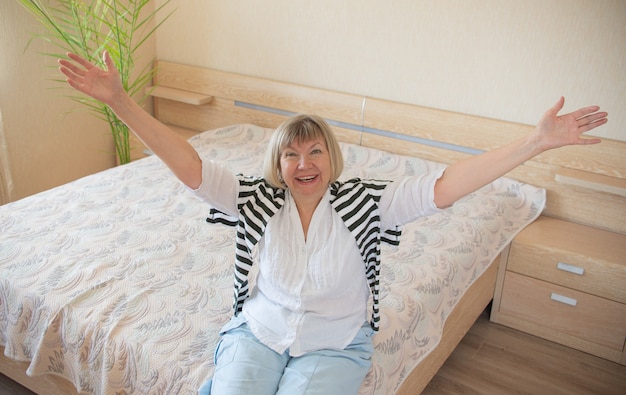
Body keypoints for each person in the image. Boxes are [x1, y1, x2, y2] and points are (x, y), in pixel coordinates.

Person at [59, 51, 607, 395]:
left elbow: (448, 184)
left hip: (335, 343)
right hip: (260, 332)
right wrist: (122, 102)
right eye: (291, 155)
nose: (304, 165)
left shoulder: (367, 203)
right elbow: (190, 166)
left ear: (332, 159)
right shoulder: (254, 199)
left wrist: (535, 142)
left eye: (315, 152)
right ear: (277, 164)